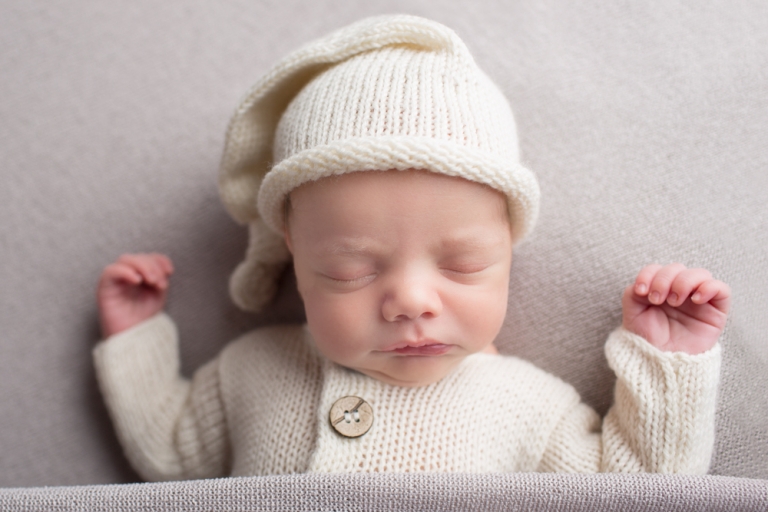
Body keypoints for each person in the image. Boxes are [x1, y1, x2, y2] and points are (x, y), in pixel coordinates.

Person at [94, 15, 728, 481]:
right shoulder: (249, 371)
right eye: (347, 271)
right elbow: (172, 455)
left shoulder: (524, 407)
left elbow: (641, 492)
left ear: (508, 246)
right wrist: (136, 341)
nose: (411, 301)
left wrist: (666, 364)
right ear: (293, 251)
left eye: (463, 265)